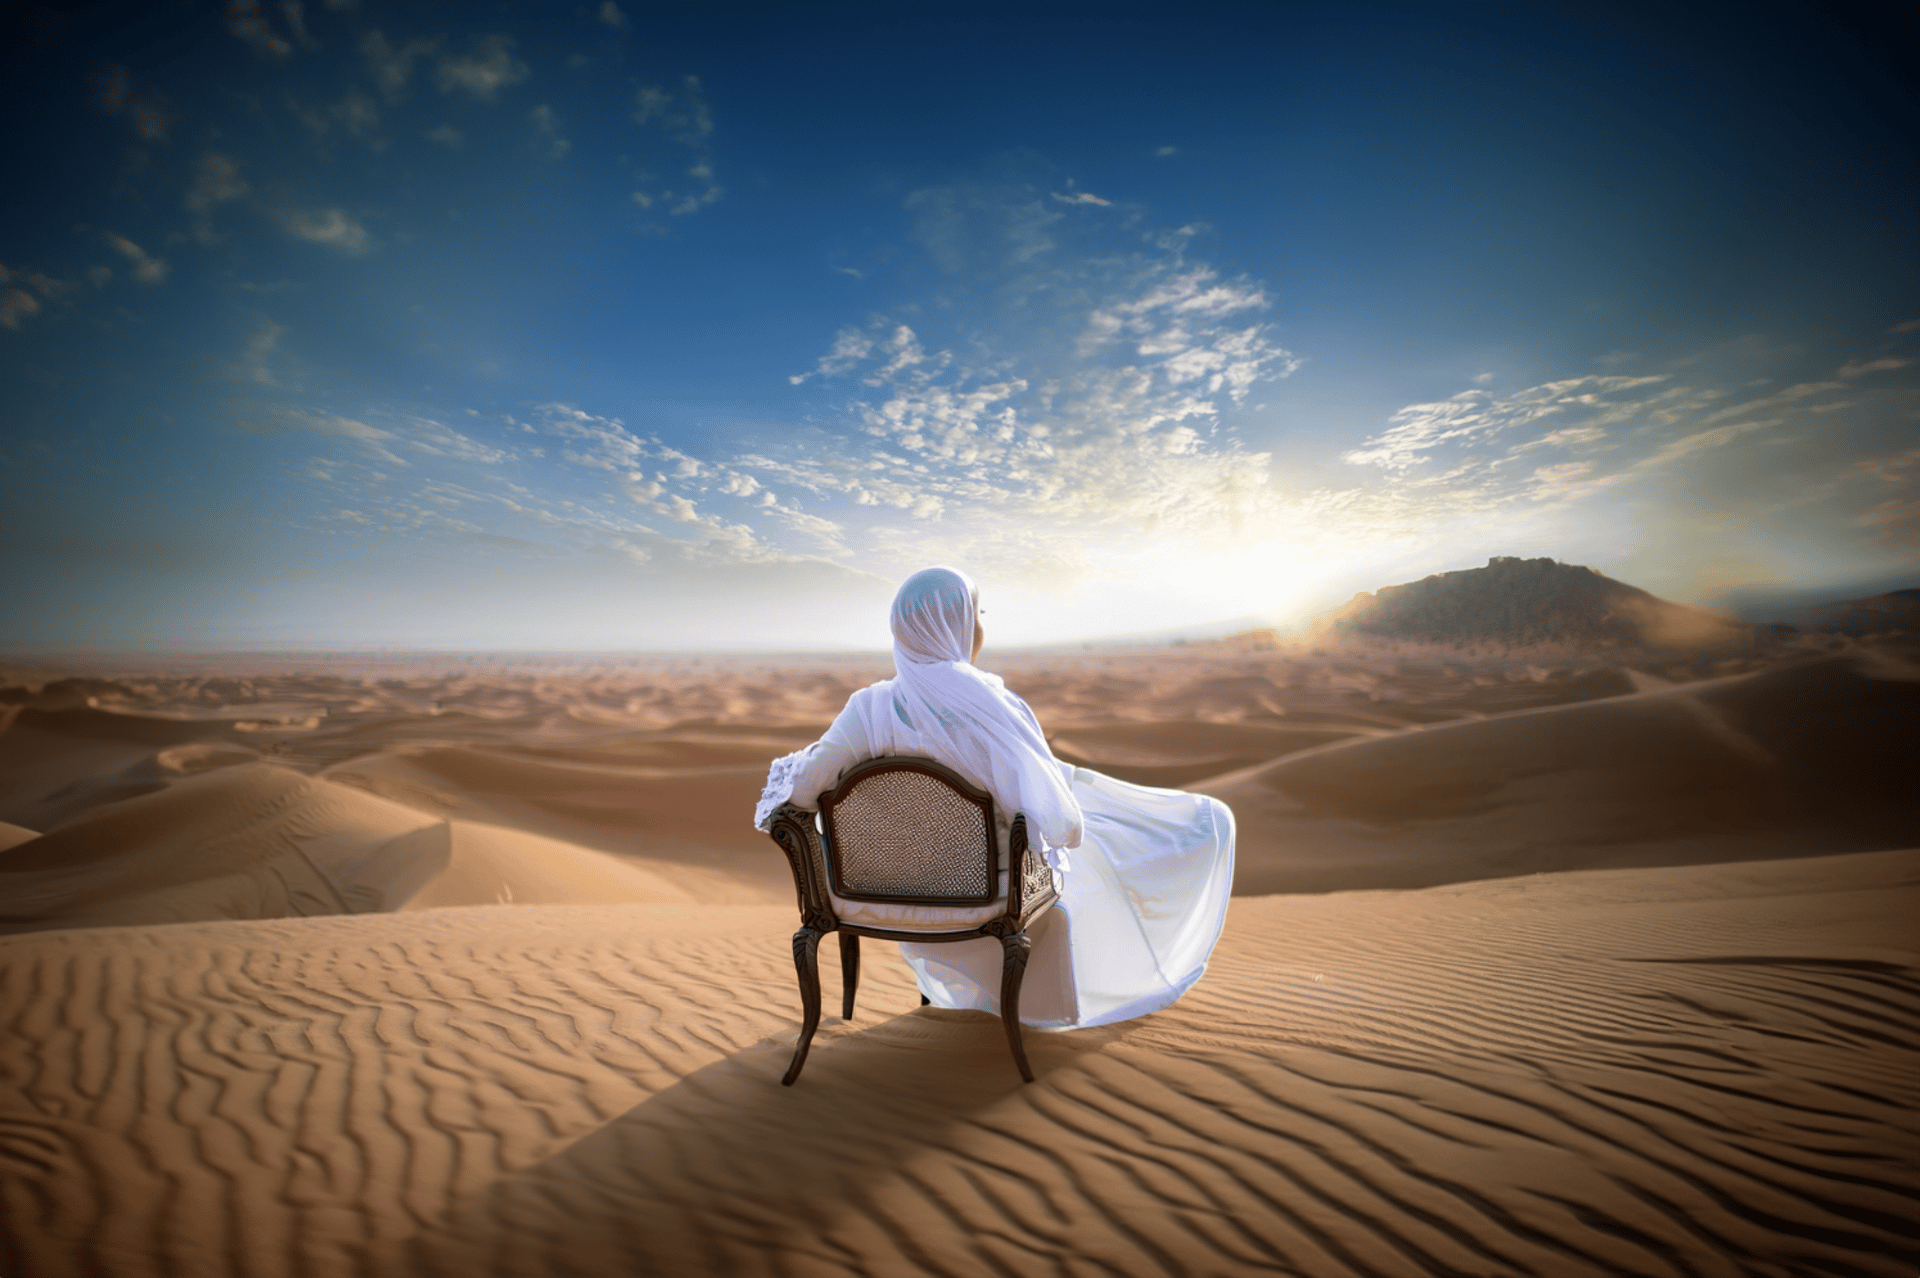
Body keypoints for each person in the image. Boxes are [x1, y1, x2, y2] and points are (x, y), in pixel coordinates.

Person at [754, 566, 1235, 1029]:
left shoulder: (868, 709)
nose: (980, 626)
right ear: (953, 624)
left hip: (886, 891)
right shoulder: (992, 706)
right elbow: (1051, 820)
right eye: (977, 614)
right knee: (1142, 844)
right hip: (985, 895)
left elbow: (801, 791)